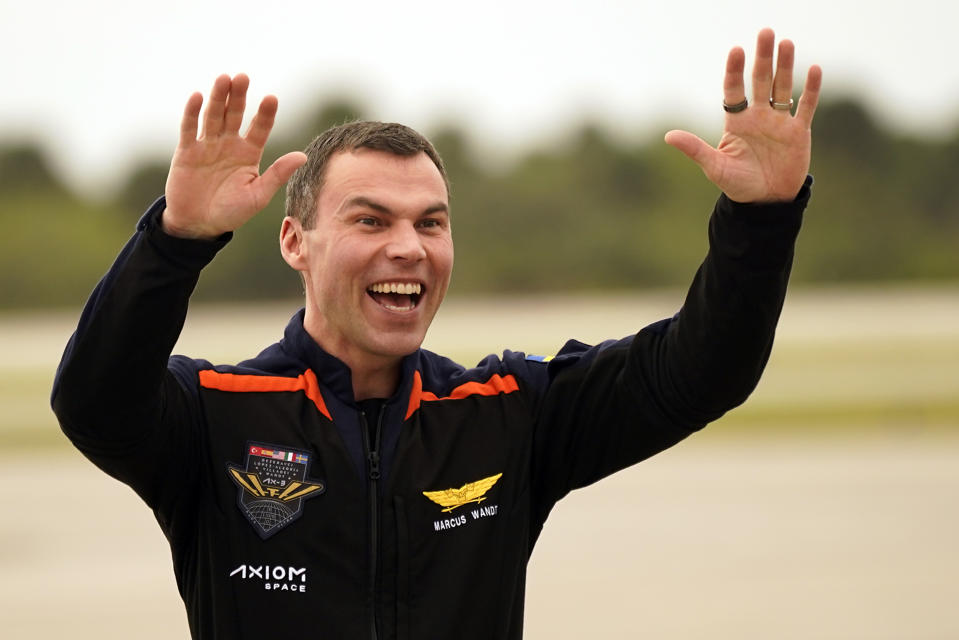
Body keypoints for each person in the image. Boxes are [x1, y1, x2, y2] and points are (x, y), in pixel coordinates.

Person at [52, 28, 821, 640]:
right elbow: (93, 401)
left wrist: (761, 221)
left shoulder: (504, 410)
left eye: (431, 223)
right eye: (369, 220)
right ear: (295, 242)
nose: (408, 247)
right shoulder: (216, 415)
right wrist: (177, 239)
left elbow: (699, 371)